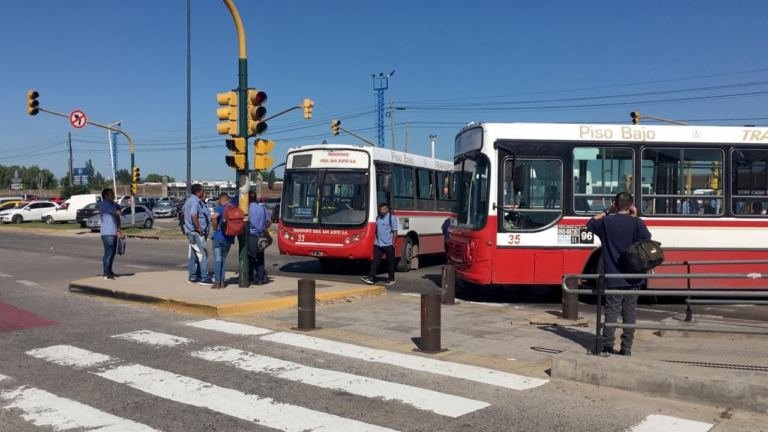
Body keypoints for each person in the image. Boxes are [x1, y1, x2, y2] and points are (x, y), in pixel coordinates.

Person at [586, 191, 652, 356]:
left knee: (611, 310)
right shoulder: (636, 223)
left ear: (615, 205)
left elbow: (590, 223)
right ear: (631, 206)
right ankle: (626, 347)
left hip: (613, 275)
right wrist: (635, 217)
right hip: (634, 277)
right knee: (630, 311)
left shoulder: (606, 222)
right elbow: (647, 239)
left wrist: (607, 212)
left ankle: (608, 345)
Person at [361, 202, 398, 286]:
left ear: (387, 209)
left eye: (384, 209)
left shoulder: (392, 218)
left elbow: (395, 231)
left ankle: (391, 279)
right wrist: (375, 240)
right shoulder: (378, 218)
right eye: (381, 209)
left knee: (390, 262)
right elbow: (376, 230)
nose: (382, 211)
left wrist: (393, 243)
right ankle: (371, 278)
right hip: (378, 244)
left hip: (388, 244)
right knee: (375, 261)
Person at [183, 184, 212, 285]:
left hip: (190, 231)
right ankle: (204, 278)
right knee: (203, 254)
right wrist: (198, 228)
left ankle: (193, 276)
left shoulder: (189, 201)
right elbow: (193, 215)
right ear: (198, 192)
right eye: (203, 191)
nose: (204, 193)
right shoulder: (195, 202)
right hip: (196, 232)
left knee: (193, 255)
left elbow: (183, 212)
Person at [210, 192, 235, 289]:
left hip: (219, 237)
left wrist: (215, 229)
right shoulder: (232, 208)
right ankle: (222, 283)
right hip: (229, 238)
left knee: (218, 260)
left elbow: (214, 217)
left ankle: (217, 282)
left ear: (220, 200)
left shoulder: (220, 208)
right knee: (223, 260)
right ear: (228, 199)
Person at [248, 191, 271, 285]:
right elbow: (269, 222)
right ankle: (260, 279)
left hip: (251, 235)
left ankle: (250, 278)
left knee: (250, 257)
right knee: (260, 258)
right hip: (261, 236)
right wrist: (263, 228)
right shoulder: (263, 208)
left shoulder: (247, 209)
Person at [98, 188, 121, 280]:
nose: (113, 195)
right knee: (108, 252)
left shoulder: (112, 204)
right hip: (107, 232)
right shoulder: (104, 204)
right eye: (111, 194)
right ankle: (106, 272)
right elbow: (115, 212)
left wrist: (118, 230)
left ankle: (110, 271)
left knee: (112, 253)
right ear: (106, 195)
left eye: (113, 193)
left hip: (113, 232)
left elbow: (119, 210)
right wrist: (117, 210)